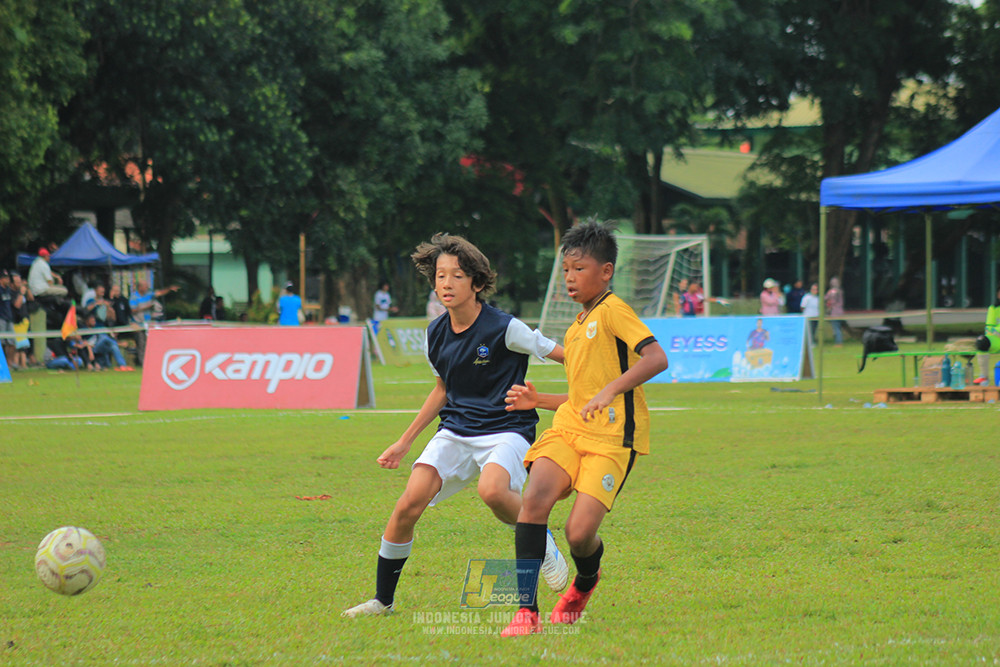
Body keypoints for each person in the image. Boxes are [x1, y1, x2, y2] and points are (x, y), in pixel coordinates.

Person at [342, 232, 569, 619]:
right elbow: (442, 390)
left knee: (494, 491)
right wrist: (403, 442)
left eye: (457, 275)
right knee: (406, 507)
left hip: (506, 429)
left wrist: (598, 386)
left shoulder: (506, 327)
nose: (446, 283)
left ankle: (542, 538)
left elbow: (566, 357)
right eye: (440, 275)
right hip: (456, 431)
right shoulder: (435, 334)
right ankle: (383, 601)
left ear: (477, 284)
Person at [501, 221, 668, 637]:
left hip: (613, 440)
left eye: (579, 269)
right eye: (566, 271)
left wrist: (611, 390)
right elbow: (581, 399)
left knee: (579, 535)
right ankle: (526, 612)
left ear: (606, 271)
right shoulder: (576, 327)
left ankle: (585, 581)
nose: (570, 278)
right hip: (570, 429)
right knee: (533, 498)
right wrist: (538, 401)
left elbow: (656, 358)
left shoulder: (614, 311)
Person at [973, 287, 1000, 385]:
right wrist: (996, 333)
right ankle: (984, 377)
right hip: (997, 339)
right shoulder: (993, 309)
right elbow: (989, 328)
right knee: (982, 341)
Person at [824, 277, 845, 345]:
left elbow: (826, 298)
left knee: (836, 328)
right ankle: (839, 341)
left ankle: (838, 342)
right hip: (840, 312)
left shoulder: (832, 291)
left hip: (834, 312)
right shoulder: (840, 291)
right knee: (838, 327)